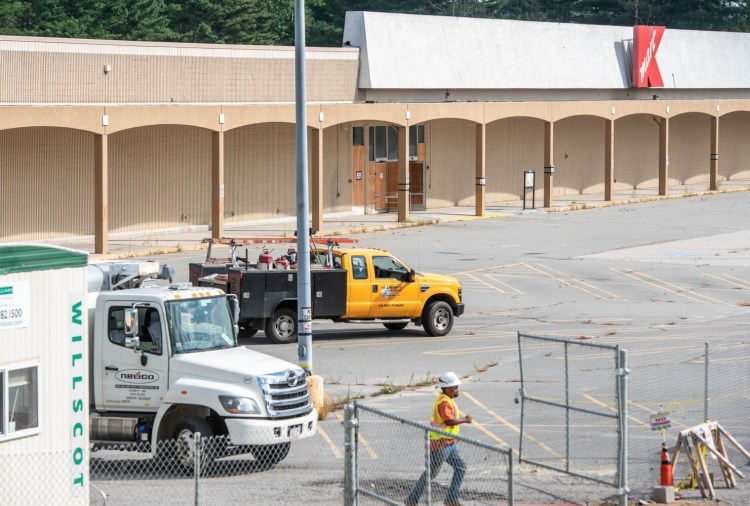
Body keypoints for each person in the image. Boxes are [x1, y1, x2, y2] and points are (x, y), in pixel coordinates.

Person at [406, 372, 472, 506]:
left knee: (461, 468)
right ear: (447, 388)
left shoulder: (448, 400)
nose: (456, 389)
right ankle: (412, 499)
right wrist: (465, 420)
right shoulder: (444, 403)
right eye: (454, 387)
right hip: (441, 445)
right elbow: (448, 421)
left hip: (450, 443)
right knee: (431, 473)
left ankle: (451, 499)